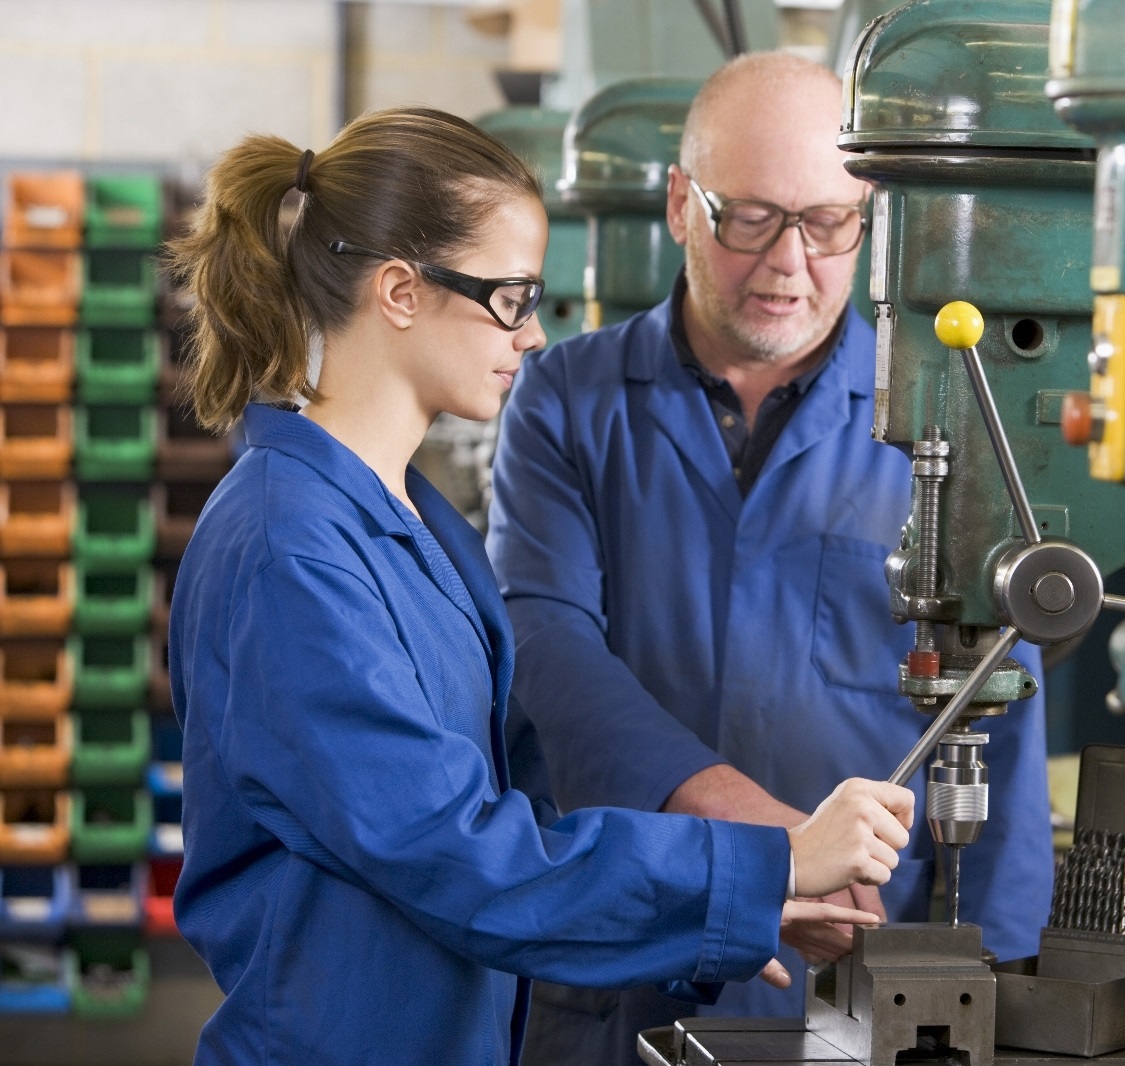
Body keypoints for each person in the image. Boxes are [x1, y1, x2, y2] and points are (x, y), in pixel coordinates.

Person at [164, 106, 917, 1066]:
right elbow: (459, 856)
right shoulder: (290, 551)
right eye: (510, 296)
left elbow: (523, 821)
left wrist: (742, 908)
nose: (530, 334)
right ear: (399, 290)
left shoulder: (417, 526)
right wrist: (769, 862)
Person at [487, 53, 1054, 1065]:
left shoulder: (943, 416)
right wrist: (776, 847)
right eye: (747, 217)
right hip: (623, 961)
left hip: (863, 985)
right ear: (676, 202)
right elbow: (546, 647)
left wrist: (1001, 988)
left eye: (828, 222)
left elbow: (1002, 712)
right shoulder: (566, 402)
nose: (790, 261)